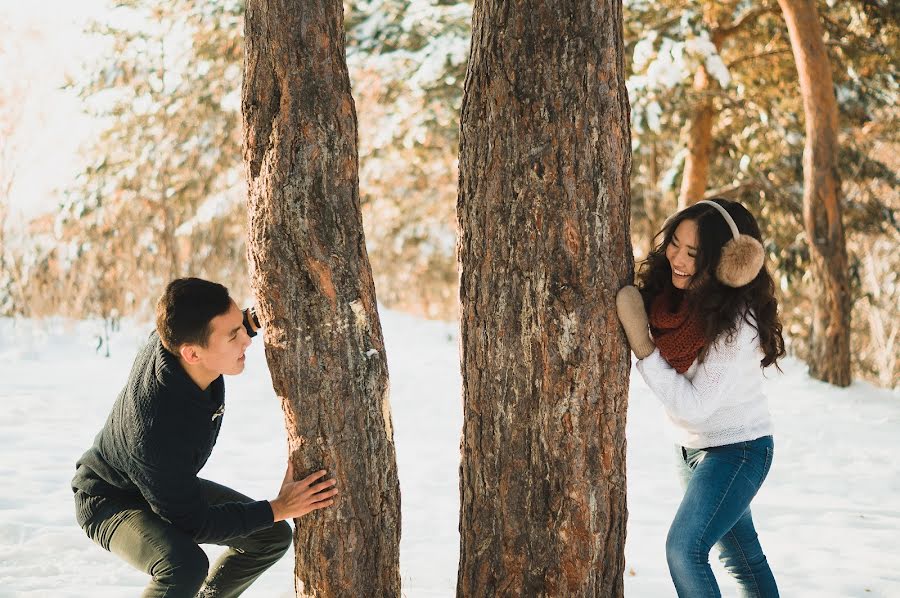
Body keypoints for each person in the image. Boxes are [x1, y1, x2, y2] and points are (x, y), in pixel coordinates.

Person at [71, 277, 338, 598]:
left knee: (270, 536)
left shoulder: (176, 340)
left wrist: (251, 319)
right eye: (233, 336)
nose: (247, 341)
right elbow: (192, 522)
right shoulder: (158, 431)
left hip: (160, 483)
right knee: (183, 566)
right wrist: (279, 507)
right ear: (192, 354)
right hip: (109, 499)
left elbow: (200, 323)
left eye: (241, 327)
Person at [616, 198, 784, 597]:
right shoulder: (670, 299)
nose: (678, 258)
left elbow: (694, 403)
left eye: (694, 253)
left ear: (728, 261)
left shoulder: (737, 321)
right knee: (743, 559)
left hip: (738, 450)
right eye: (675, 243)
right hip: (690, 449)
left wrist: (644, 350)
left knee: (684, 550)